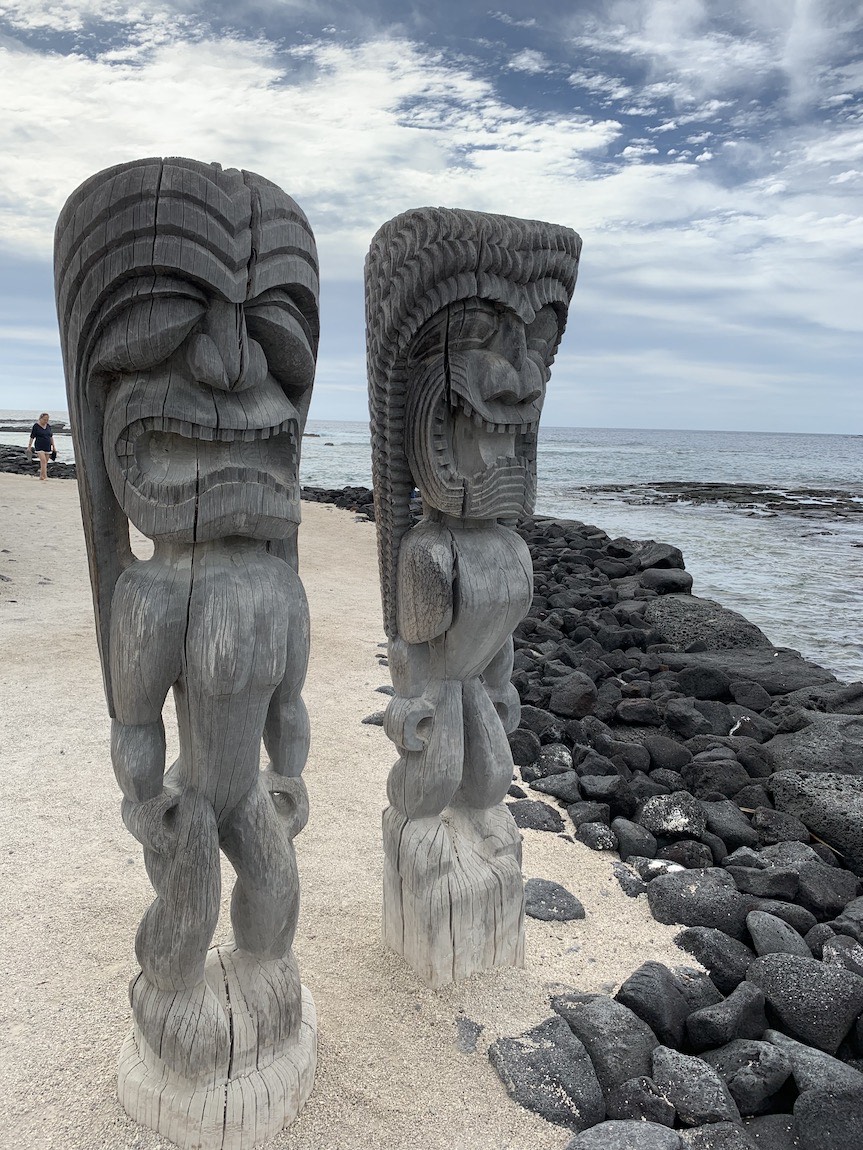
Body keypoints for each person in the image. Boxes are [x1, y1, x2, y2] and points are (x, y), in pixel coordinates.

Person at [27, 413, 56, 481]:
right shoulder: (36, 426)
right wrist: (29, 446)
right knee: (43, 461)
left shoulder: (48, 426)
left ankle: (41, 477)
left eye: (47, 420)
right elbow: (32, 437)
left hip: (47, 446)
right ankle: (45, 476)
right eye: (44, 419)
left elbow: (51, 436)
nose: (46, 421)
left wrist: (54, 446)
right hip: (39, 446)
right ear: (40, 419)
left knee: (46, 462)